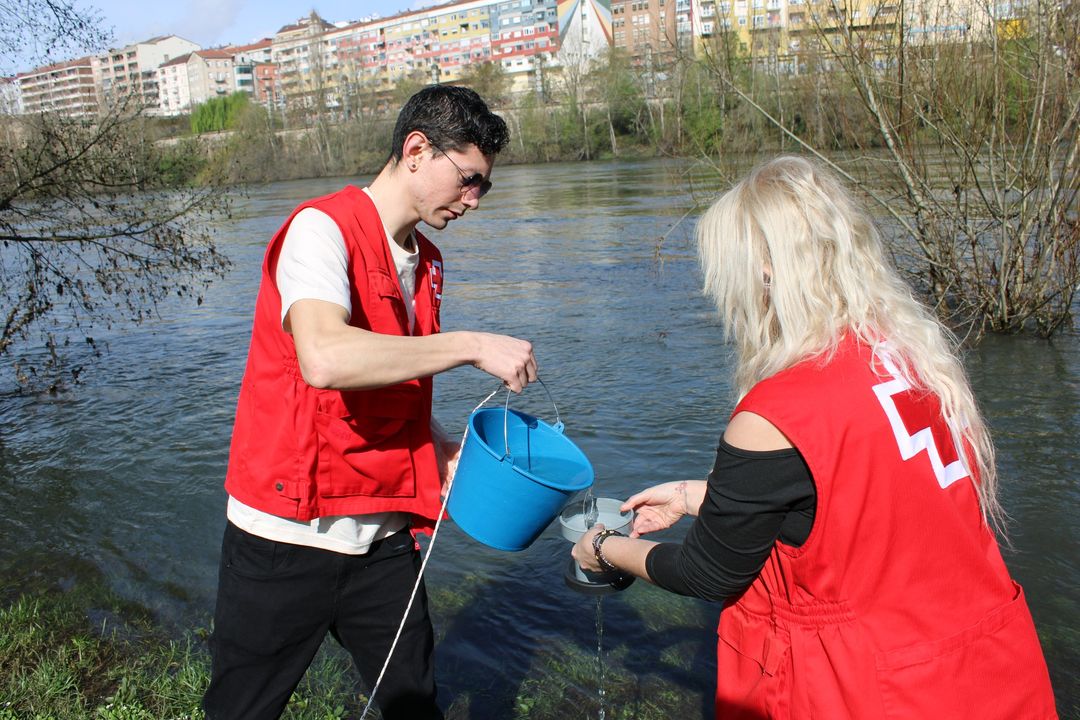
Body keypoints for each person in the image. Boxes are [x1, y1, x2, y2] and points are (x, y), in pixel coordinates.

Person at [573, 156, 1058, 719]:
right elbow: (859, 502)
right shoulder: (912, 361)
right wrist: (692, 496)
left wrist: (603, 549)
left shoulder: (775, 412)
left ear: (763, 273)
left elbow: (709, 573)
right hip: (990, 670)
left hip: (870, 691)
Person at [204, 85, 537, 720]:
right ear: (417, 151)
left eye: (483, 187)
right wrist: (468, 345)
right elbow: (326, 358)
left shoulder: (428, 262)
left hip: (381, 538)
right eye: (469, 180)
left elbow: (393, 387)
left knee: (416, 705)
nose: (474, 200)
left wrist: (438, 445)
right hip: (286, 534)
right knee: (241, 710)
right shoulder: (318, 230)